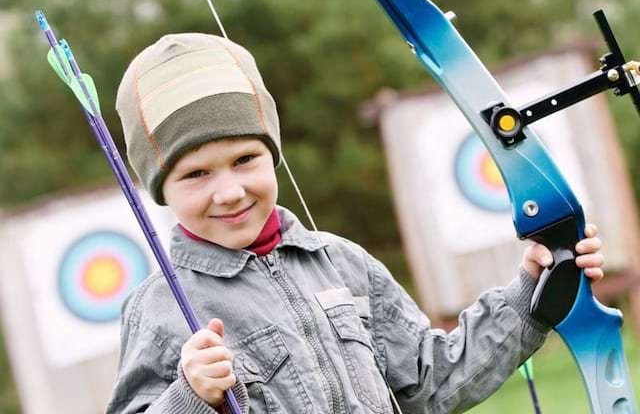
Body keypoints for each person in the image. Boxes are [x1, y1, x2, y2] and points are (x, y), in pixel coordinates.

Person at [105, 33, 604, 414]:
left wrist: (534, 295)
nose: (230, 190)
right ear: (161, 191)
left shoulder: (340, 263)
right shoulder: (160, 307)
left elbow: (432, 382)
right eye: (195, 174)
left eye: (244, 159)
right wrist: (189, 397)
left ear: (272, 155)